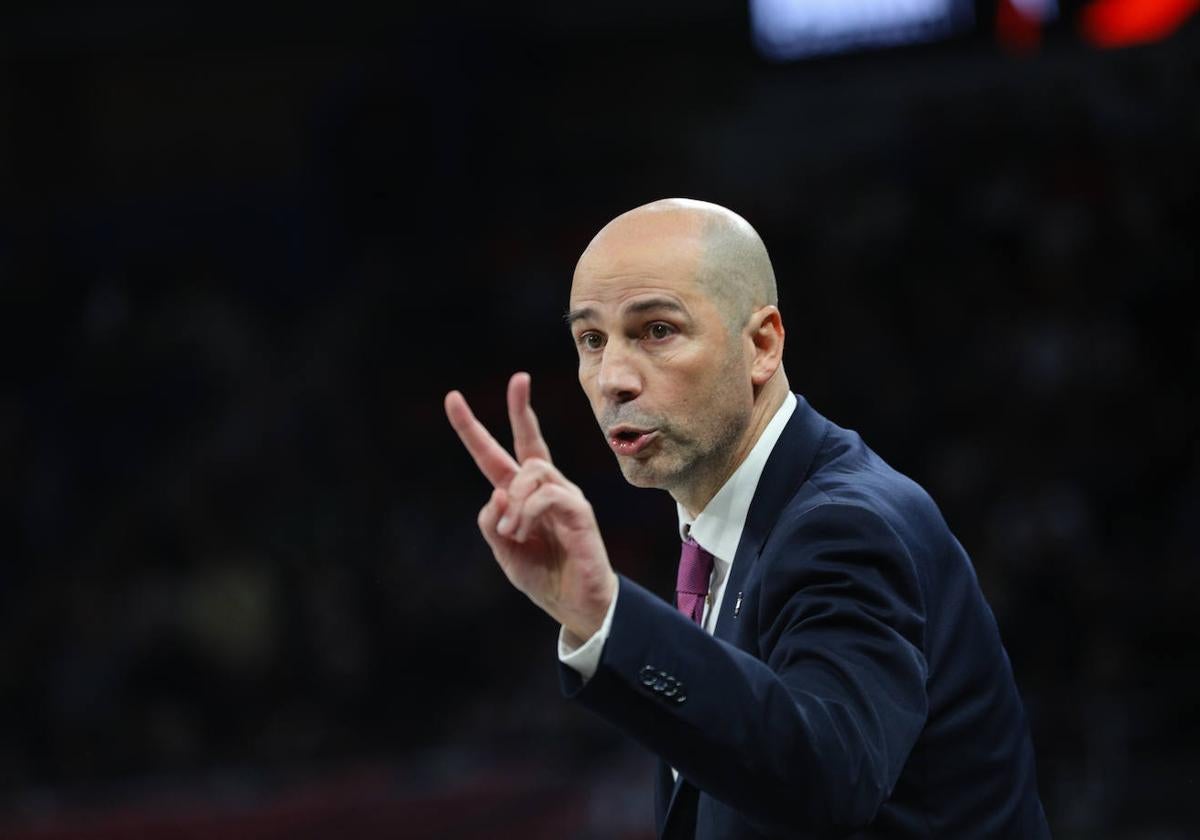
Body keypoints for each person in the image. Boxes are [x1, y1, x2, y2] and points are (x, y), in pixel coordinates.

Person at [444, 198, 1050, 838]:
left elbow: (827, 780)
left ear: (762, 344)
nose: (613, 378)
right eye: (591, 340)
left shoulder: (843, 527)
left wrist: (609, 617)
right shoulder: (733, 529)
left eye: (656, 330)